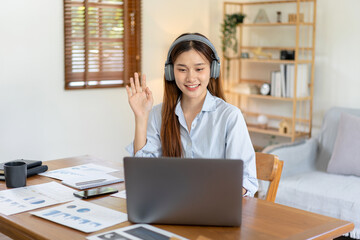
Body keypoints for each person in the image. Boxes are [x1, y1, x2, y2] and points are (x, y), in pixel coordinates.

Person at [126, 33, 258, 196]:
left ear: (213, 70)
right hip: (171, 205)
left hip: (213, 206)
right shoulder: (158, 114)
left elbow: (247, 181)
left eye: (199, 69)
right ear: (170, 72)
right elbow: (142, 172)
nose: (190, 77)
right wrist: (141, 117)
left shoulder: (229, 116)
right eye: (182, 69)